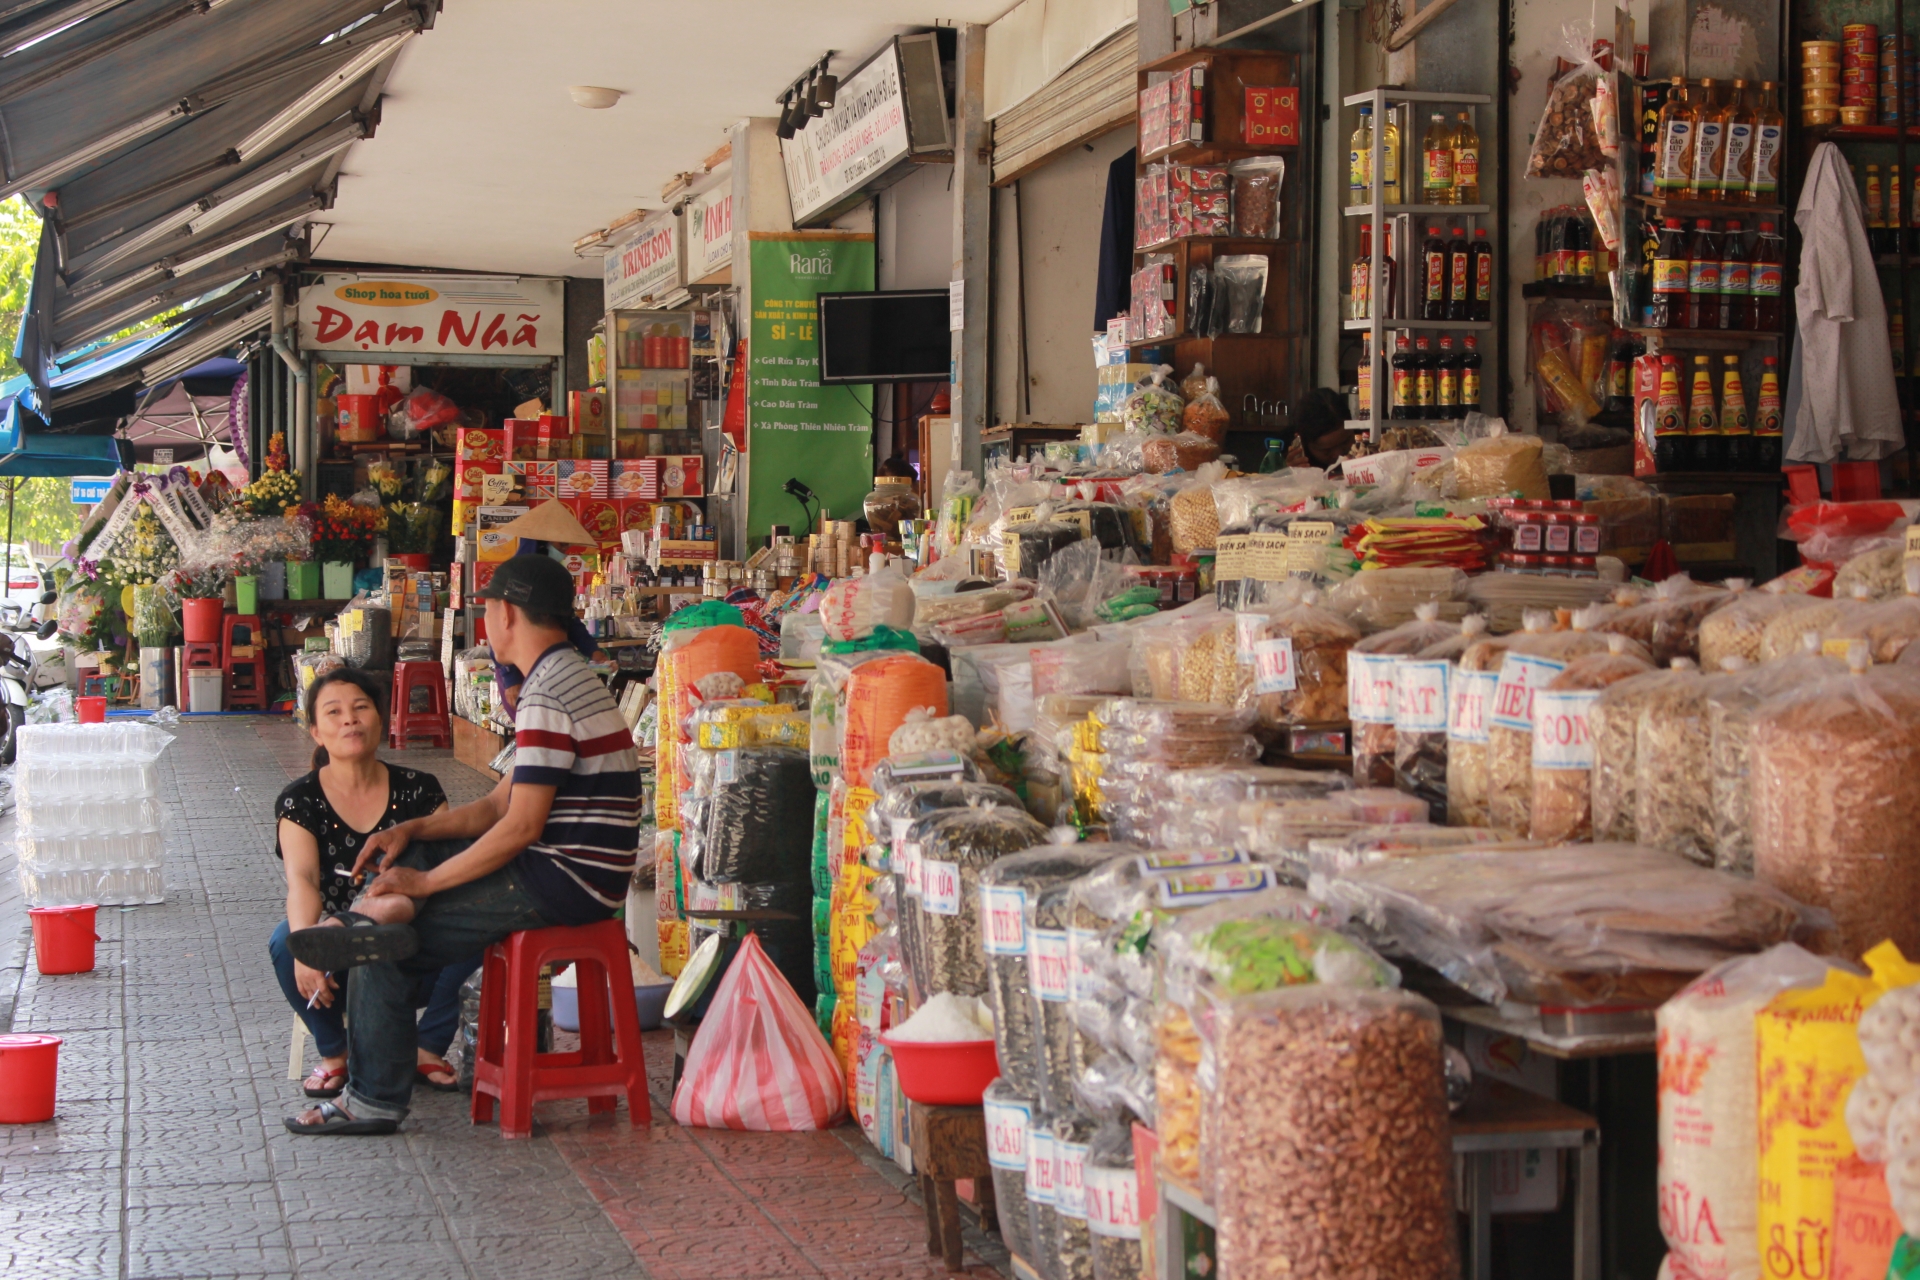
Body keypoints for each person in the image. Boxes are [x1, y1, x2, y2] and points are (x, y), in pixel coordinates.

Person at [283, 554, 643, 1135]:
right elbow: (500, 803)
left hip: (566, 880)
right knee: (411, 856)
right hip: (571, 871)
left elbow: (520, 827)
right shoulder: (566, 677)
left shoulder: (549, 692)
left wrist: (425, 883)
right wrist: (412, 830)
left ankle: (371, 1096)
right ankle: (375, 910)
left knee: (379, 943)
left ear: (504, 613)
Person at [269, 669, 480, 1098]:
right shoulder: (300, 801)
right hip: (342, 958)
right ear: (315, 731)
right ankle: (335, 1054)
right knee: (284, 942)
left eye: (360, 708)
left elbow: (448, 870)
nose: (350, 720)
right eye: (334, 712)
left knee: (479, 925)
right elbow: (303, 880)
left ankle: (427, 1046)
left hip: (417, 949)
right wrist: (306, 946)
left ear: (380, 719)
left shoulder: (420, 791)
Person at [1284, 387, 1352, 470]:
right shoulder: (1283, 454)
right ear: (1302, 443)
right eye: (1327, 451)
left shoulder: (1367, 441)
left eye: (1345, 442)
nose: (1339, 454)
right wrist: (1291, 475)